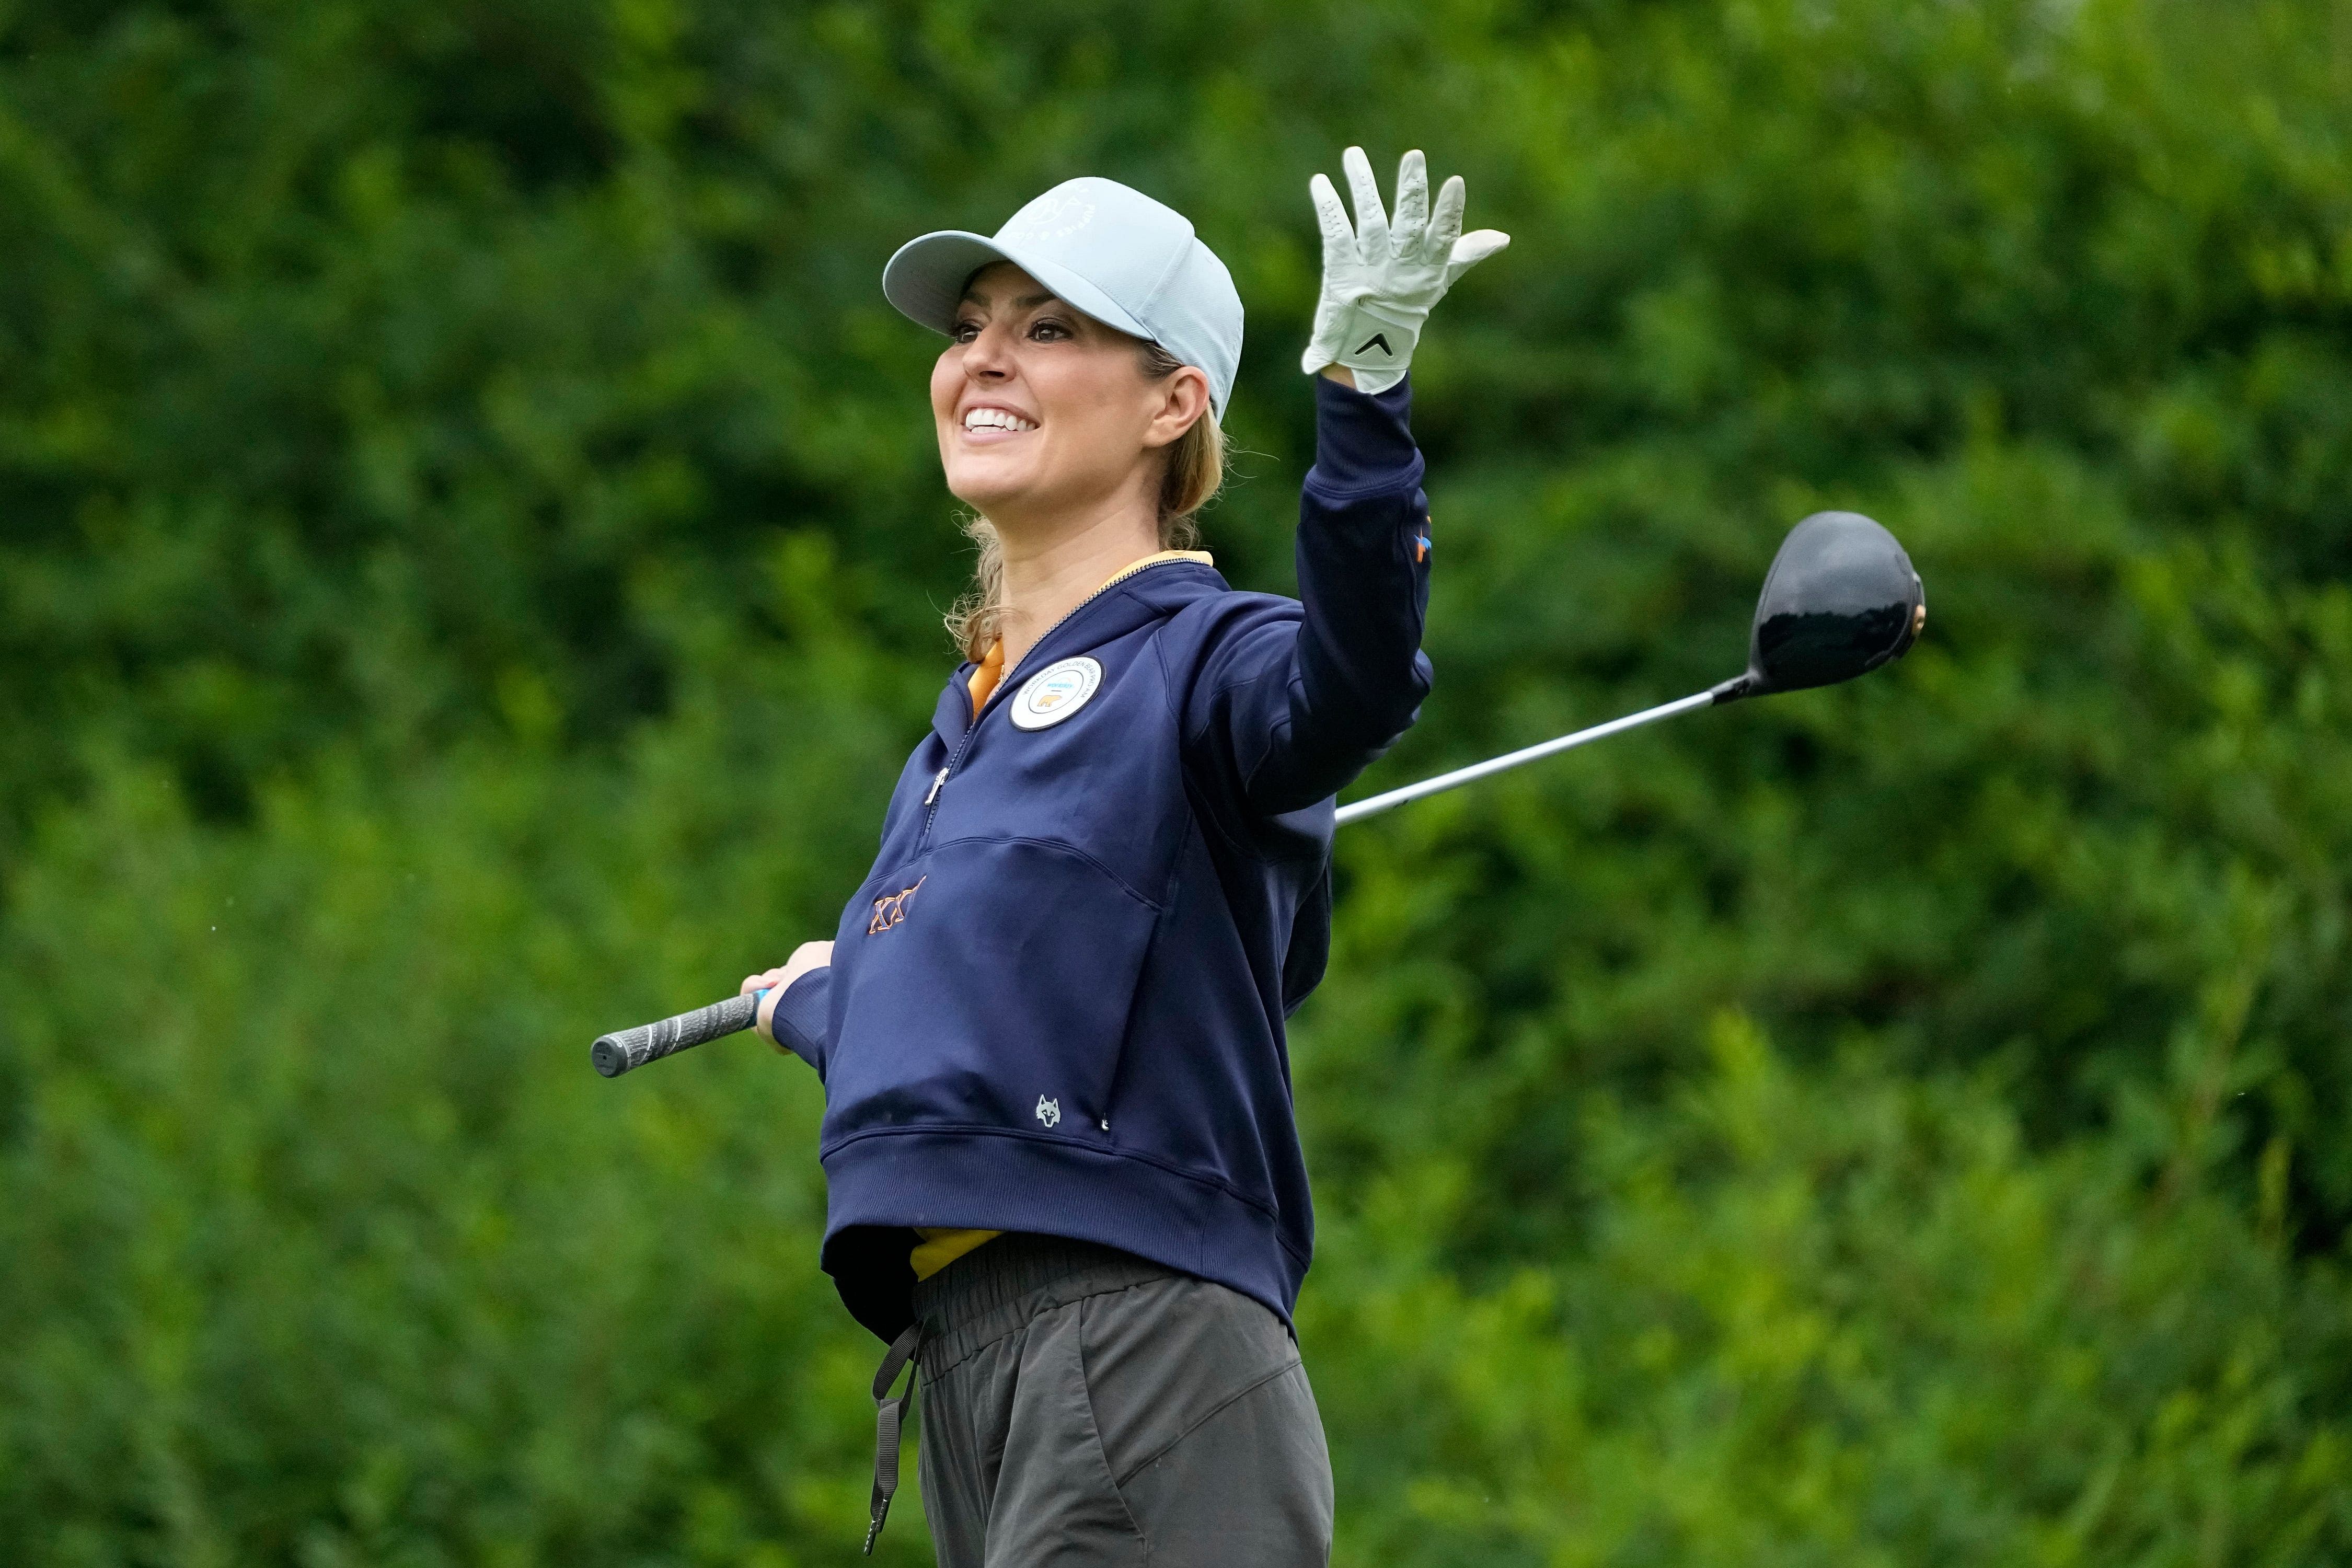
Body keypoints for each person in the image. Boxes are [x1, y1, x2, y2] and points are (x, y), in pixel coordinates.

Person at [738, 148, 1507, 1565]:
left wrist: (1361, 403)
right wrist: (828, 1004)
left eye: (1049, 328)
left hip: (1135, 1341)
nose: (984, 357)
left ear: (1172, 403)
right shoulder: (955, 738)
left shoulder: (1207, 658)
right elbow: (1002, 1018)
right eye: (971, 323)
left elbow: (1352, 683)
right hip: (971, 1364)